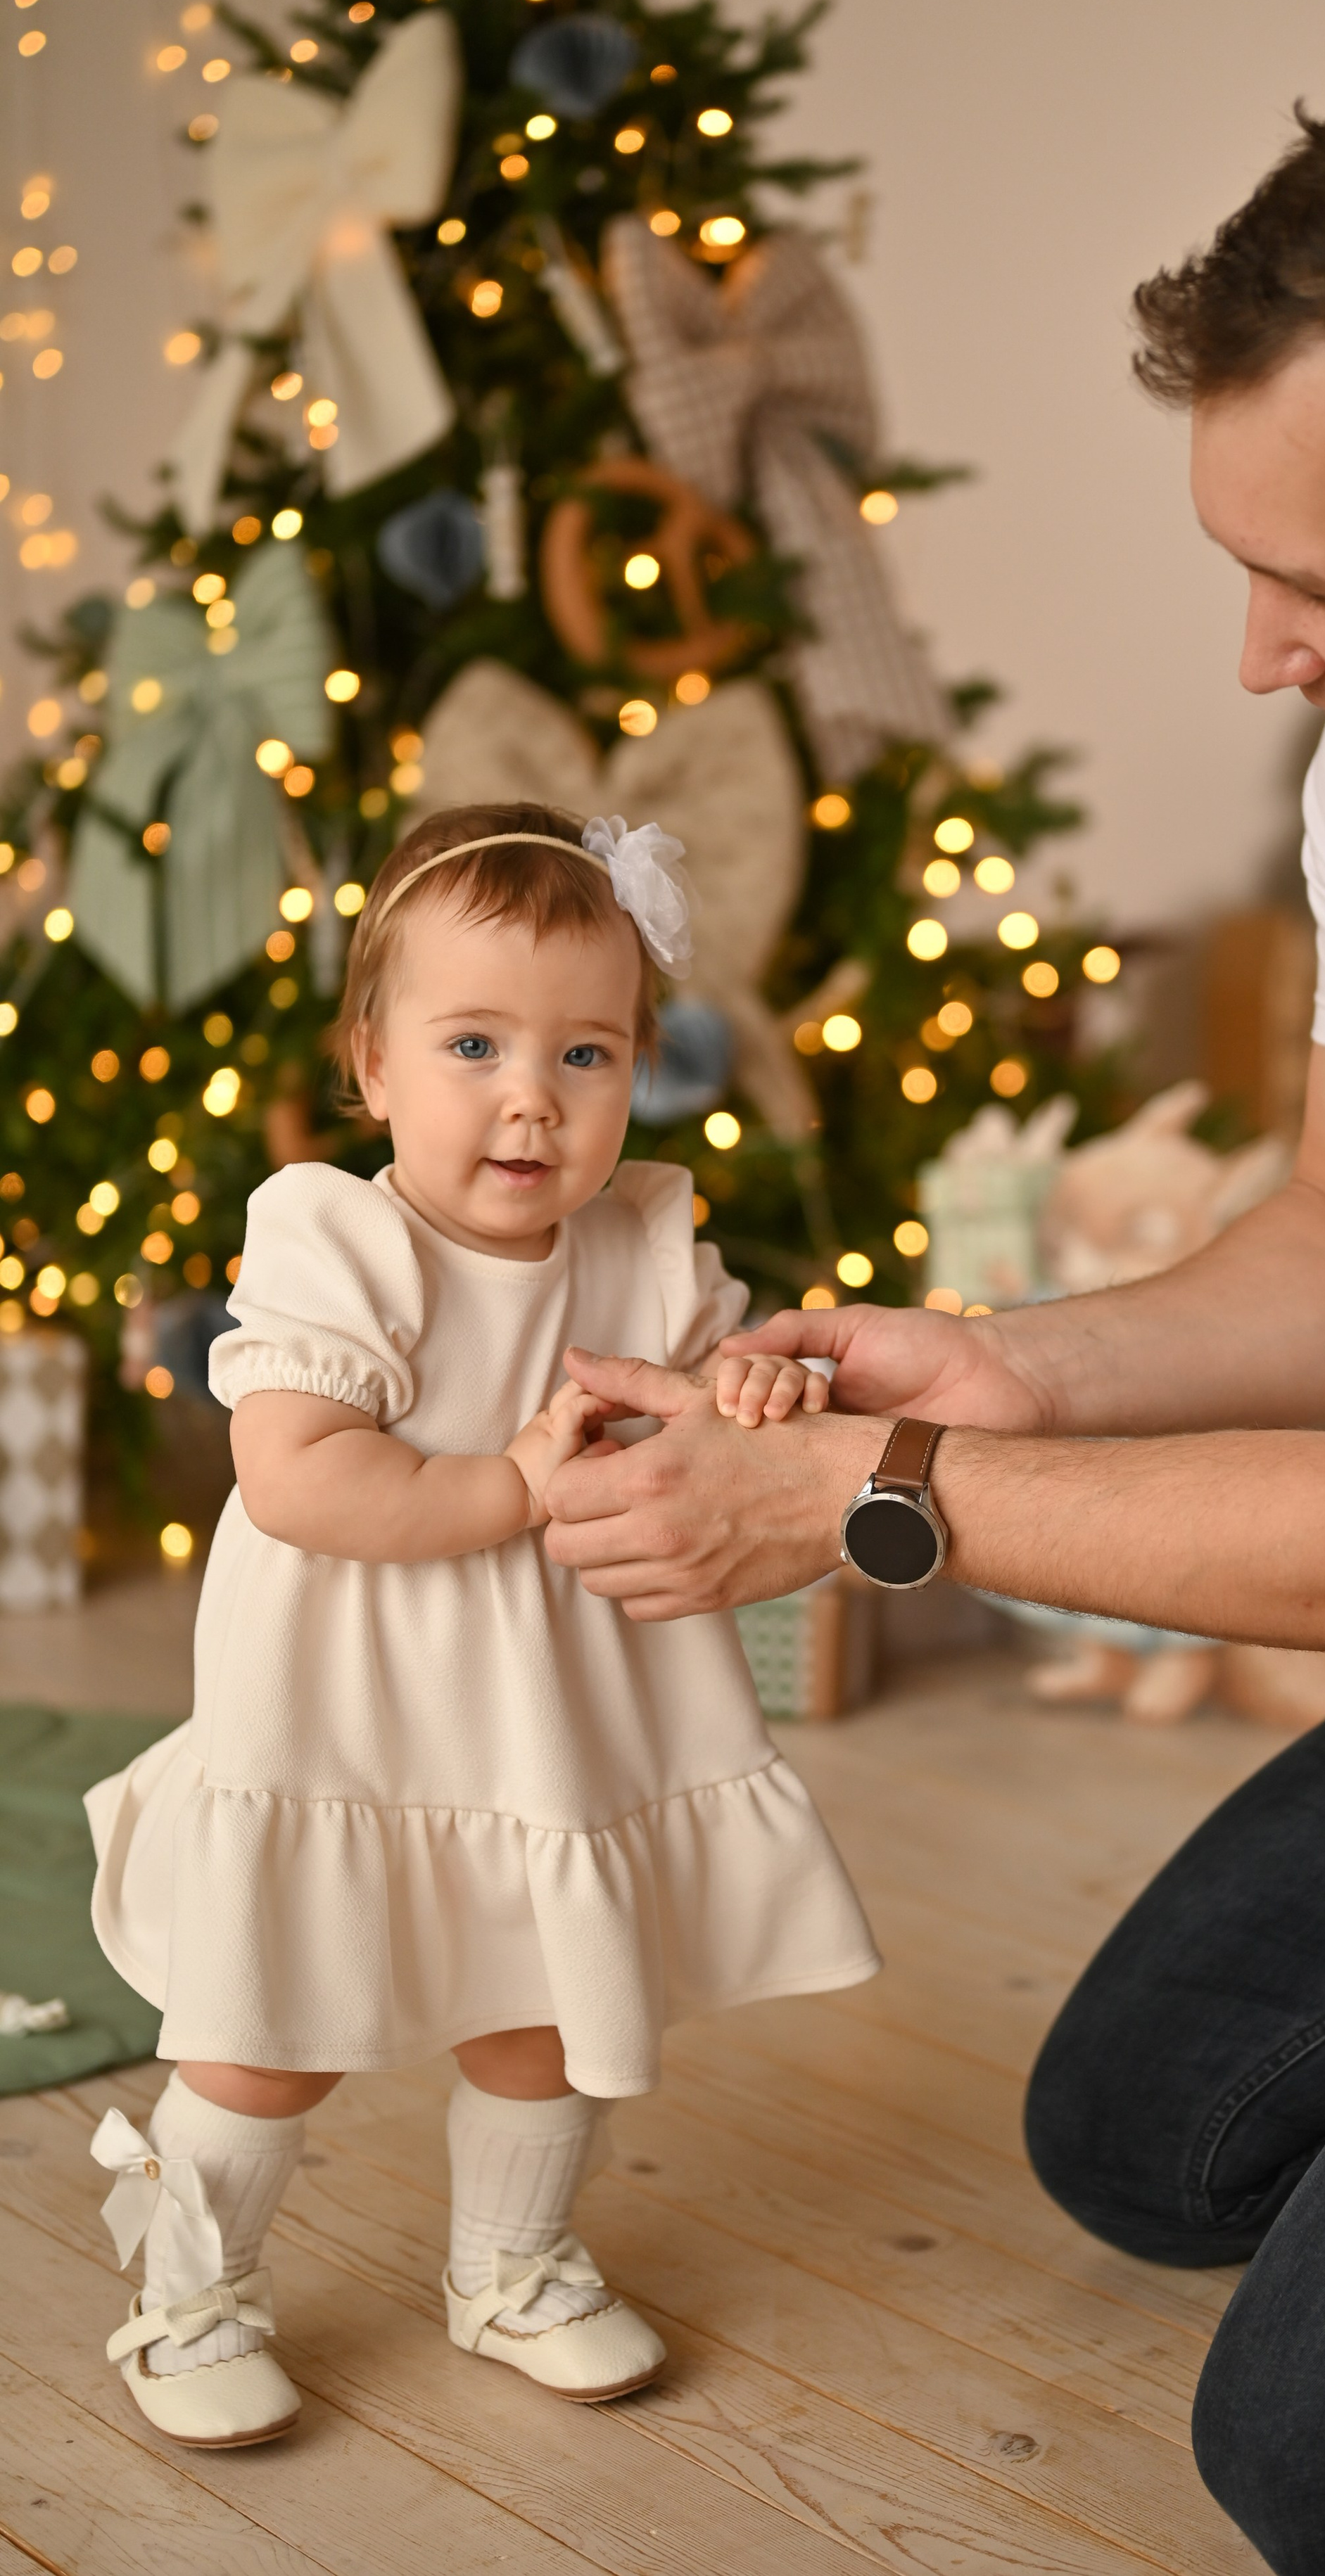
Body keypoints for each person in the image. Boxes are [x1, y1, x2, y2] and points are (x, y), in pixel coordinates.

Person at [540, 74, 1325, 2574]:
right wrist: (1008, 1367)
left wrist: (872, 1495)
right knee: (1140, 2139)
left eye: (1315, 584)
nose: (1256, 658)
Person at [83, 802, 876, 2451]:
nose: (533, 1096)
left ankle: (510, 2266)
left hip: (549, 1718)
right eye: (472, 1044)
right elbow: (300, 1478)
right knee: (269, 2030)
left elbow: (702, 1418)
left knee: (542, 2006)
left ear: (639, 1067)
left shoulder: (640, 1242)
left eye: (587, 1052)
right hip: (348, 1712)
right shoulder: (339, 1239)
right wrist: (512, 1482)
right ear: (371, 1062)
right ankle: (192, 2293)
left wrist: (748, 1393)